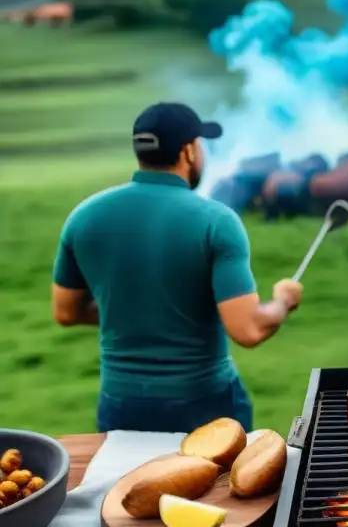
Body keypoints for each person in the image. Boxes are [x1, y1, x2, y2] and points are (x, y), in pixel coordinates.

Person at [49, 102, 303, 433]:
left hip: (120, 404)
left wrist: (133, 309)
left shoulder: (83, 217)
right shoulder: (216, 221)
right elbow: (249, 330)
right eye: (201, 145)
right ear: (188, 152)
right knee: (219, 486)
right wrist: (283, 300)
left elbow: (66, 312)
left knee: (131, 484)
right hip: (204, 403)